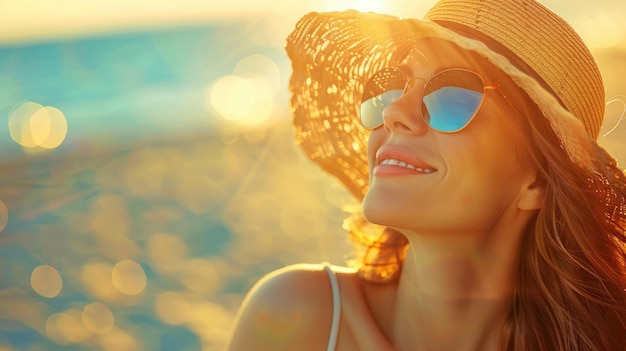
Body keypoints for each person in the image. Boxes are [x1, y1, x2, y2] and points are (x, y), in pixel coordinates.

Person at [226, 0, 626, 350]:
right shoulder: (298, 316)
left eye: (452, 94)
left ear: (535, 182)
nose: (395, 111)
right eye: (394, 84)